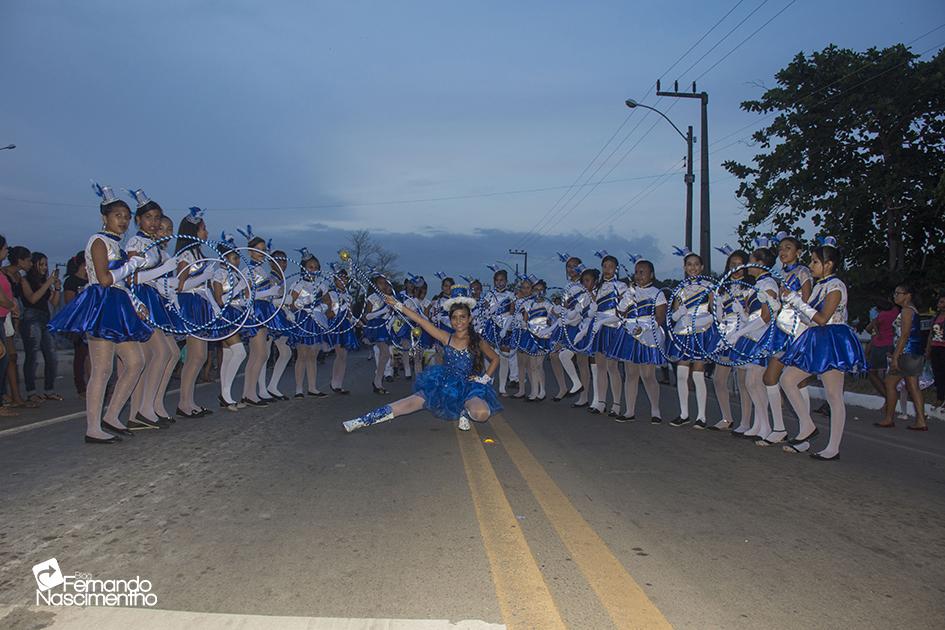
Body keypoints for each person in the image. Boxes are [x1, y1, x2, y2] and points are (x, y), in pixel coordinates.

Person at [48, 182, 151, 443]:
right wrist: (132, 265)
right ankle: (93, 428)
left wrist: (136, 302)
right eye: (118, 216)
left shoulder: (117, 244)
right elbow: (105, 279)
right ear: (104, 217)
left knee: (136, 362)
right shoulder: (98, 240)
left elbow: (120, 282)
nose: (124, 221)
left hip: (119, 304)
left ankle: (112, 415)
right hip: (103, 304)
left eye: (127, 217)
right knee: (102, 369)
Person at [342, 286, 501, 433]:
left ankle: (464, 412)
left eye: (463, 317)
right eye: (454, 317)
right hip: (443, 384)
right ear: (450, 319)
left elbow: (495, 358)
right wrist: (398, 305)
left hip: (469, 386)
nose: (458, 321)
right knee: (407, 404)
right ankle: (360, 421)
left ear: (470, 318)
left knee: (482, 413)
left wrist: (484, 379)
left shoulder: (477, 340)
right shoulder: (445, 337)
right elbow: (421, 321)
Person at [779, 238, 867, 460]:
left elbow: (822, 318)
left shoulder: (836, 286)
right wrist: (790, 304)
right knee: (787, 380)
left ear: (828, 264)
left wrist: (798, 303)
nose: (811, 265)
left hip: (832, 340)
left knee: (833, 395)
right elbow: (809, 318)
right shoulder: (820, 285)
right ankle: (807, 426)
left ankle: (833, 448)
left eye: (815, 262)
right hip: (816, 339)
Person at [124, 189, 179, 429]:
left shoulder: (154, 245)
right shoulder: (136, 242)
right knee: (162, 353)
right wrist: (162, 271)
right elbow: (132, 276)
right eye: (149, 217)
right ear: (138, 219)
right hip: (140, 299)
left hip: (154, 298)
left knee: (163, 354)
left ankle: (147, 408)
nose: (154, 222)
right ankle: (145, 408)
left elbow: (157, 278)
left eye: (157, 218)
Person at [174, 207, 217, 417]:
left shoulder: (198, 253)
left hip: (201, 304)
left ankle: (189, 401)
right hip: (190, 304)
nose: (206, 233)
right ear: (193, 231)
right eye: (203, 229)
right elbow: (180, 284)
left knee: (198, 357)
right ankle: (184, 403)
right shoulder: (185, 253)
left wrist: (215, 307)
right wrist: (203, 277)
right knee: (195, 356)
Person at [615, 255, 666, 423]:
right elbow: (620, 313)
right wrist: (625, 300)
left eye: (643, 272)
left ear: (651, 274)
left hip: (648, 335)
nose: (639, 275)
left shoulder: (657, 293)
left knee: (648, 375)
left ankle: (656, 410)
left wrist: (644, 328)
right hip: (631, 334)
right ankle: (629, 411)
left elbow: (660, 318)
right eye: (637, 272)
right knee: (630, 374)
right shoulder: (630, 292)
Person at [668, 248, 716, 428]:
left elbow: (715, 311)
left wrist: (707, 320)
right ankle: (684, 413)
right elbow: (673, 316)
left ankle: (701, 416)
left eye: (696, 264)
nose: (693, 267)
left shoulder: (708, 286)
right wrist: (679, 312)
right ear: (684, 267)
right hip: (683, 333)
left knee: (698, 374)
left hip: (701, 332)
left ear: (702, 267)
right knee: (681, 375)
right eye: (689, 264)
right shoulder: (680, 288)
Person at [708, 247, 753, 433]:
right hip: (726, 335)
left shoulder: (752, 286)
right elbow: (719, 317)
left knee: (744, 381)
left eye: (740, 265)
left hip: (744, 333)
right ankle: (727, 418)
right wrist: (714, 303)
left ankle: (745, 422)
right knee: (719, 379)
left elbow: (754, 315)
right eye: (732, 265)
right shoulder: (722, 288)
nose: (736, 268)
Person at [875, 283, 928, 431]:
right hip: (911, 352)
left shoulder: (906, 311)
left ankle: (890, 418)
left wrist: (895, 357)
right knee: (910, 386)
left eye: (899, 293)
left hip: (907, 353)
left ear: (907, 295)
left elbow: (904, 335)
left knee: (894, 384)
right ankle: (919, 419)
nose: (895, 296)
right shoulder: (911, 310)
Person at [19, 251, 61, 401]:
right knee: (32, 356)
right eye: (41, 264)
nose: (44, 268)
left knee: (51, 356)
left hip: (45, 319)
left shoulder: (44, 282)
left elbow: (54, 303)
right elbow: (32, 298)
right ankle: (31, 392)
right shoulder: (25, 280)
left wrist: (56, 288)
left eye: (46, 264)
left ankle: (49, 390)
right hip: (31, 318)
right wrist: (48, 284)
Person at [589, 255, 627, 416]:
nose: (607, 269)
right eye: (605, 266)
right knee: (601, 367)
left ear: (616, 268)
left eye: (611, 266)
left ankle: (617, 404)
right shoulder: (598, 288)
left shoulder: (621, 286)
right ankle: (601, 402)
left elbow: (623, 312)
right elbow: (594, 310)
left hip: (612, 328)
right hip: (600, 330)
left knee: (613, 367)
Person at [323, 268, 359, 393]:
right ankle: (334, 383)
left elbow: (350, 314)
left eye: (345, 278)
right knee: (340, 354)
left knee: (343, 356)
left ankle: (338, 384)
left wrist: (355, 321)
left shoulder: (348, 296)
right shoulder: (330, 294)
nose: (343, 280)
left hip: (345, 325)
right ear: (335, 280)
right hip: (335, 324)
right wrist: (340, 307)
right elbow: (327, 313)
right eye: (340, 278)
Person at [62, 252, 89, 398]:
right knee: (80, 355)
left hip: (92, 321)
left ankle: (93, 384)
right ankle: (81, 387)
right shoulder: (71, 281)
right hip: (78, 322)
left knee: (93, 355)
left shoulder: (91, 280)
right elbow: (69, 303)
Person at [864, 298, 899, 396]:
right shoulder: (895, 312)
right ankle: (890, 397)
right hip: (892, 344)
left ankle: (887, 396)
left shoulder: (881, 316)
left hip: (880, 345)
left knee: (872, 372)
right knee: (888, 374)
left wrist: (876, 330)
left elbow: (868, 328)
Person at [927, 294, 945, 409]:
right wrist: (928, 349)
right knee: (938, 374)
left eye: (943, 302)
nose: (941, 304)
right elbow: (930, 334)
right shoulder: (936, 317)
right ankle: (940, 397)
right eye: (940, 302)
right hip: (936, 347)